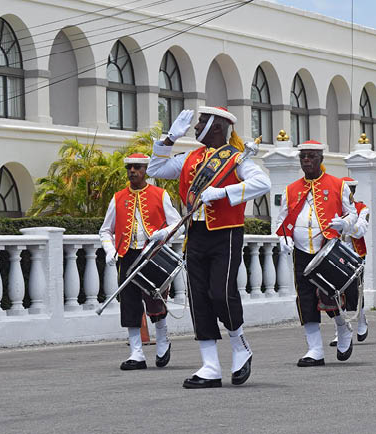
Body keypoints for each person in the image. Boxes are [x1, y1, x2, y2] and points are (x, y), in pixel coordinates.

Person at [147, 107, 271, 388]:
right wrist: (169, 140)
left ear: (217, 127)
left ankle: (240, 346)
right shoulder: (190, 157)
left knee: (221, 292)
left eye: (201, 121)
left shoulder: (237, 159)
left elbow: (263, 183)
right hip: (196, 234)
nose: (195, 126)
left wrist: (226, 193)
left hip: (225, 234)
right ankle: (210, 366)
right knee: (199, 298)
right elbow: (155, 169)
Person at [275, 140, 357, 367]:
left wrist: (344, 223)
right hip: (301, 251)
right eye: (303, 157)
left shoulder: (338, 185)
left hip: (327, 249)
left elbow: (353, 215)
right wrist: (284, 238)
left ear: (321, 158)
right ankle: (315, 349)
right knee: (305, 297)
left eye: (311, 156)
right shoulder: (290, 189)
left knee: (332, 295)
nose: (307, 161)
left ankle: (343, 327)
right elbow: (282, 220)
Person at [99, 153, 181, 370]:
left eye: (137, 168)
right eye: (130, 168)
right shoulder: (117, 198)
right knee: (129, 303)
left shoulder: (160, 194)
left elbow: (177, 225)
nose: (132, 172)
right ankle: (136, 353)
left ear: (146, 170)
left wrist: (161, 234)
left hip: (153, 254)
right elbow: (105, 230)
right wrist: (109, 250)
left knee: (156, 300)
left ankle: (163, 342)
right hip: (127, 255)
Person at [329, 177, 369, 347]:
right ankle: (341, 330)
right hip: (336, 254)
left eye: (351, 190)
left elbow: (360, 231)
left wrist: (345, 224)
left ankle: (361, 319)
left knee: (354, 292)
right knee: (335, 293)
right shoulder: (333, 207)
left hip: (354, 255)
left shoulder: (362, 209)